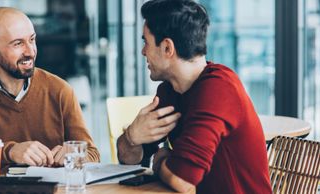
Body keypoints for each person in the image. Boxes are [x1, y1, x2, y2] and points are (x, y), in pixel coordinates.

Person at [116, 0, 272, 193]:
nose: (143, 51)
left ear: (167, 48)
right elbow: (130, 161)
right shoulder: (169, 90)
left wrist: (161, 161)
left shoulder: (220, 88)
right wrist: (132, 137)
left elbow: (183, 180)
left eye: (145, 42)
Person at [0, 7, 100, 174]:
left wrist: (75, 155)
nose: (30, 51)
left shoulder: (61, 91)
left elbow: (92, 155)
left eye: (32, 40)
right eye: (18, 43)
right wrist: (9, 152)